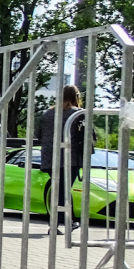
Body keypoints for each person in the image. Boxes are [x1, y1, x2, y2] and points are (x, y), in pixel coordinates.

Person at [38, 85, 88, 231]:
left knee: (61, 189)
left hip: (49, 157)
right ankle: (55, 223)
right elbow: (86, 136)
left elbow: (38, 134)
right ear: (76, 96)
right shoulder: (78, 113)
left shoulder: (47, 113)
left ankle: (70, 220)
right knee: (63, 190)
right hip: (70, 157)